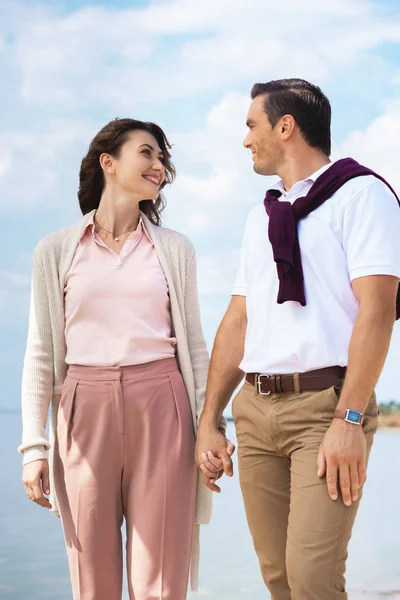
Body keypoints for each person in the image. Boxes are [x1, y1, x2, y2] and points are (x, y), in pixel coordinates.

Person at [196, 78, 400, 599]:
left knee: (314, 576)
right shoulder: (259, 218)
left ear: (285, 127)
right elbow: (238, 321)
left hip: (326, 408)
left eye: (251, 125)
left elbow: (378, 311)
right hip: (256, 413)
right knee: (279, 578)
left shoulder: (363, 196)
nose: (245, 140)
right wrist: (210, 419)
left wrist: (349, 419)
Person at [18, 117, 227, 600]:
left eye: (162, 159)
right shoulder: (54, 251)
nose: (159, 166)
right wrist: (34, 448)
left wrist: (209, 425)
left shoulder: (174, 249)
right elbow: (41, 354)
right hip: (82, 410)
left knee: (159, 582)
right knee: (92, 580)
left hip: (163, 406)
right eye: (148, 153)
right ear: (108, 163)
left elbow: (194, 346)